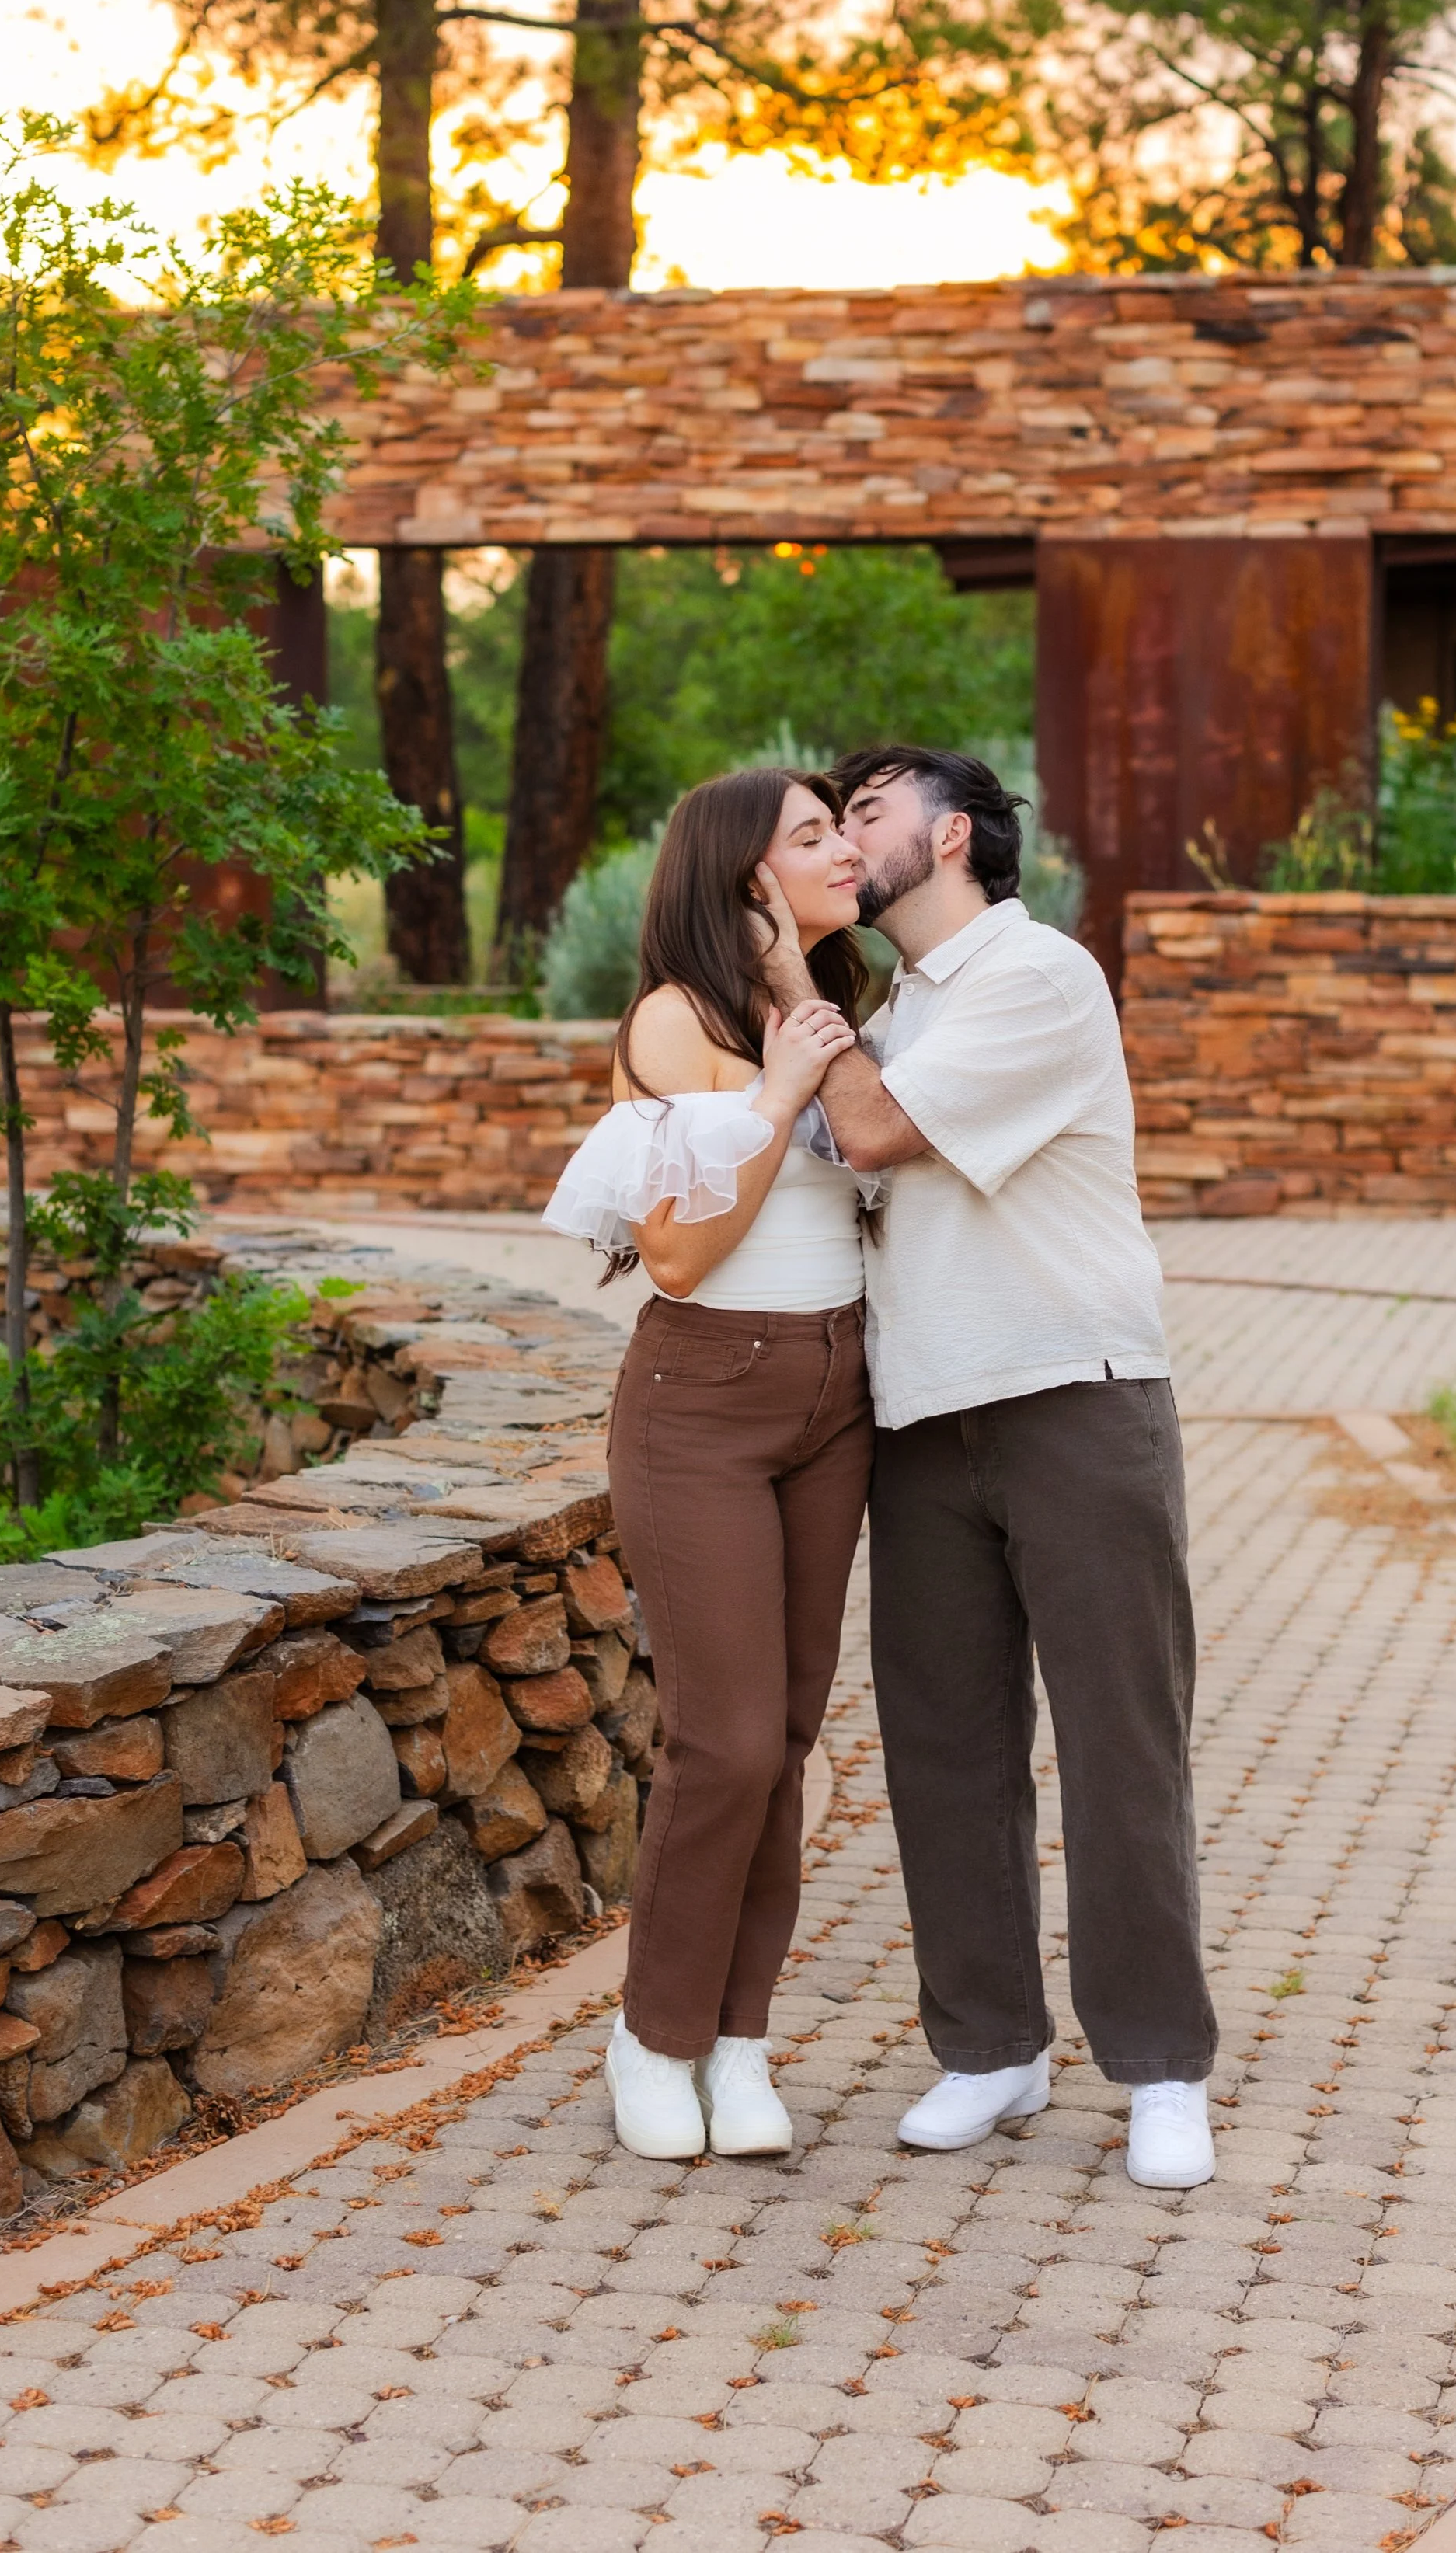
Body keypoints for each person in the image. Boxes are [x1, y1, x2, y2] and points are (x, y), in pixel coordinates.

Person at [753, 746, 1218, 2190]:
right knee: (946, 1746)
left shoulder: (1038, 976)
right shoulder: (899, 1008)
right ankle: (991, 2048)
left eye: (868, 813)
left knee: (1117, 1742)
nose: (841, 840)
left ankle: (1158, 2067)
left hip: (1074, 1396)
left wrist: (783, 977)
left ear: (952, 835)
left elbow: (878, 1132)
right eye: (824, 824)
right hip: (923, 1412)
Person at [542, 768, 876, 2162]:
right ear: (745, 873)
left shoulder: (828, 1002)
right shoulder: (674, 1023)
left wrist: (807, 1020)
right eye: (811, 836)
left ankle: (740, 2040)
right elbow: (676, 1254)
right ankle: (652, 2035)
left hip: (834, 1394)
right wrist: (785, 1081)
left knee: (786, 1740)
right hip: (704, 1402)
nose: (844, 847)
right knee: (725, 1739)